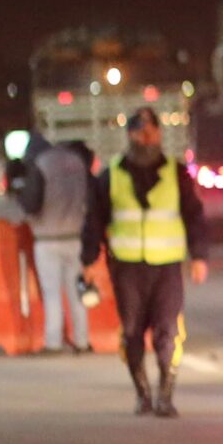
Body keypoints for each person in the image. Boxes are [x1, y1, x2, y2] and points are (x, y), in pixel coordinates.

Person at [81, 109, 207, 416]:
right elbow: (94, 220)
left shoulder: (176, 174)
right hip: (127, 267)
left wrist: (199, 256)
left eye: (151, 131)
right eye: (140, 132)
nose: (146, 138)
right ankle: (143, 393)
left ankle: (166, 394)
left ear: (160, 134)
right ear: (130, 135)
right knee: (133, 332)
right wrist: (89, 259)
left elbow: (195, 217)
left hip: (166, 267)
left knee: (168, 331)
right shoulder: (111, 176)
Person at [17, 134, 91, 352]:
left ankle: (53, 342)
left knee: (52, 294)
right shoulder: (76, 161)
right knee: (76, 292)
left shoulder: (41, 164)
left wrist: (19, 194)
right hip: (75, 237)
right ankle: (82, 340)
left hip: (47, 239)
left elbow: (31, 203)